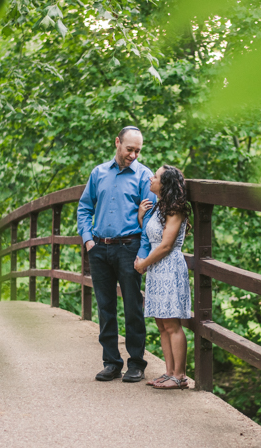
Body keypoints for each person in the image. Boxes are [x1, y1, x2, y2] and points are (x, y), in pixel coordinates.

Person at [77, 126, 157, 383]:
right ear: (117, 143)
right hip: (99, 248)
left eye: (138, 151)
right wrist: (88, 240)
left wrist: (142, 255)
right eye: (129, 149)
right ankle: (111, 362)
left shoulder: (145, 177)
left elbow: (150, 221)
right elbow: (84, 207)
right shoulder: (98, 173)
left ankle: (136, 363)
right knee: (105, 307)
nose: (133, 155)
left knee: (133, 306)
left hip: (129, 248)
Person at [134, 165, 192, 390]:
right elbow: (154, 237)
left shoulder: (175, 210)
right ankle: (168, 373)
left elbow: (166, 245)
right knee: (161, 322)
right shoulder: (160, 207)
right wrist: (141, 217)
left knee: (172, 323)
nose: (151, 178)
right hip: (156, 269)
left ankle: (180, 376)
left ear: (165, 183)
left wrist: (143, 264)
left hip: (168, 267)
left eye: (156, 176)